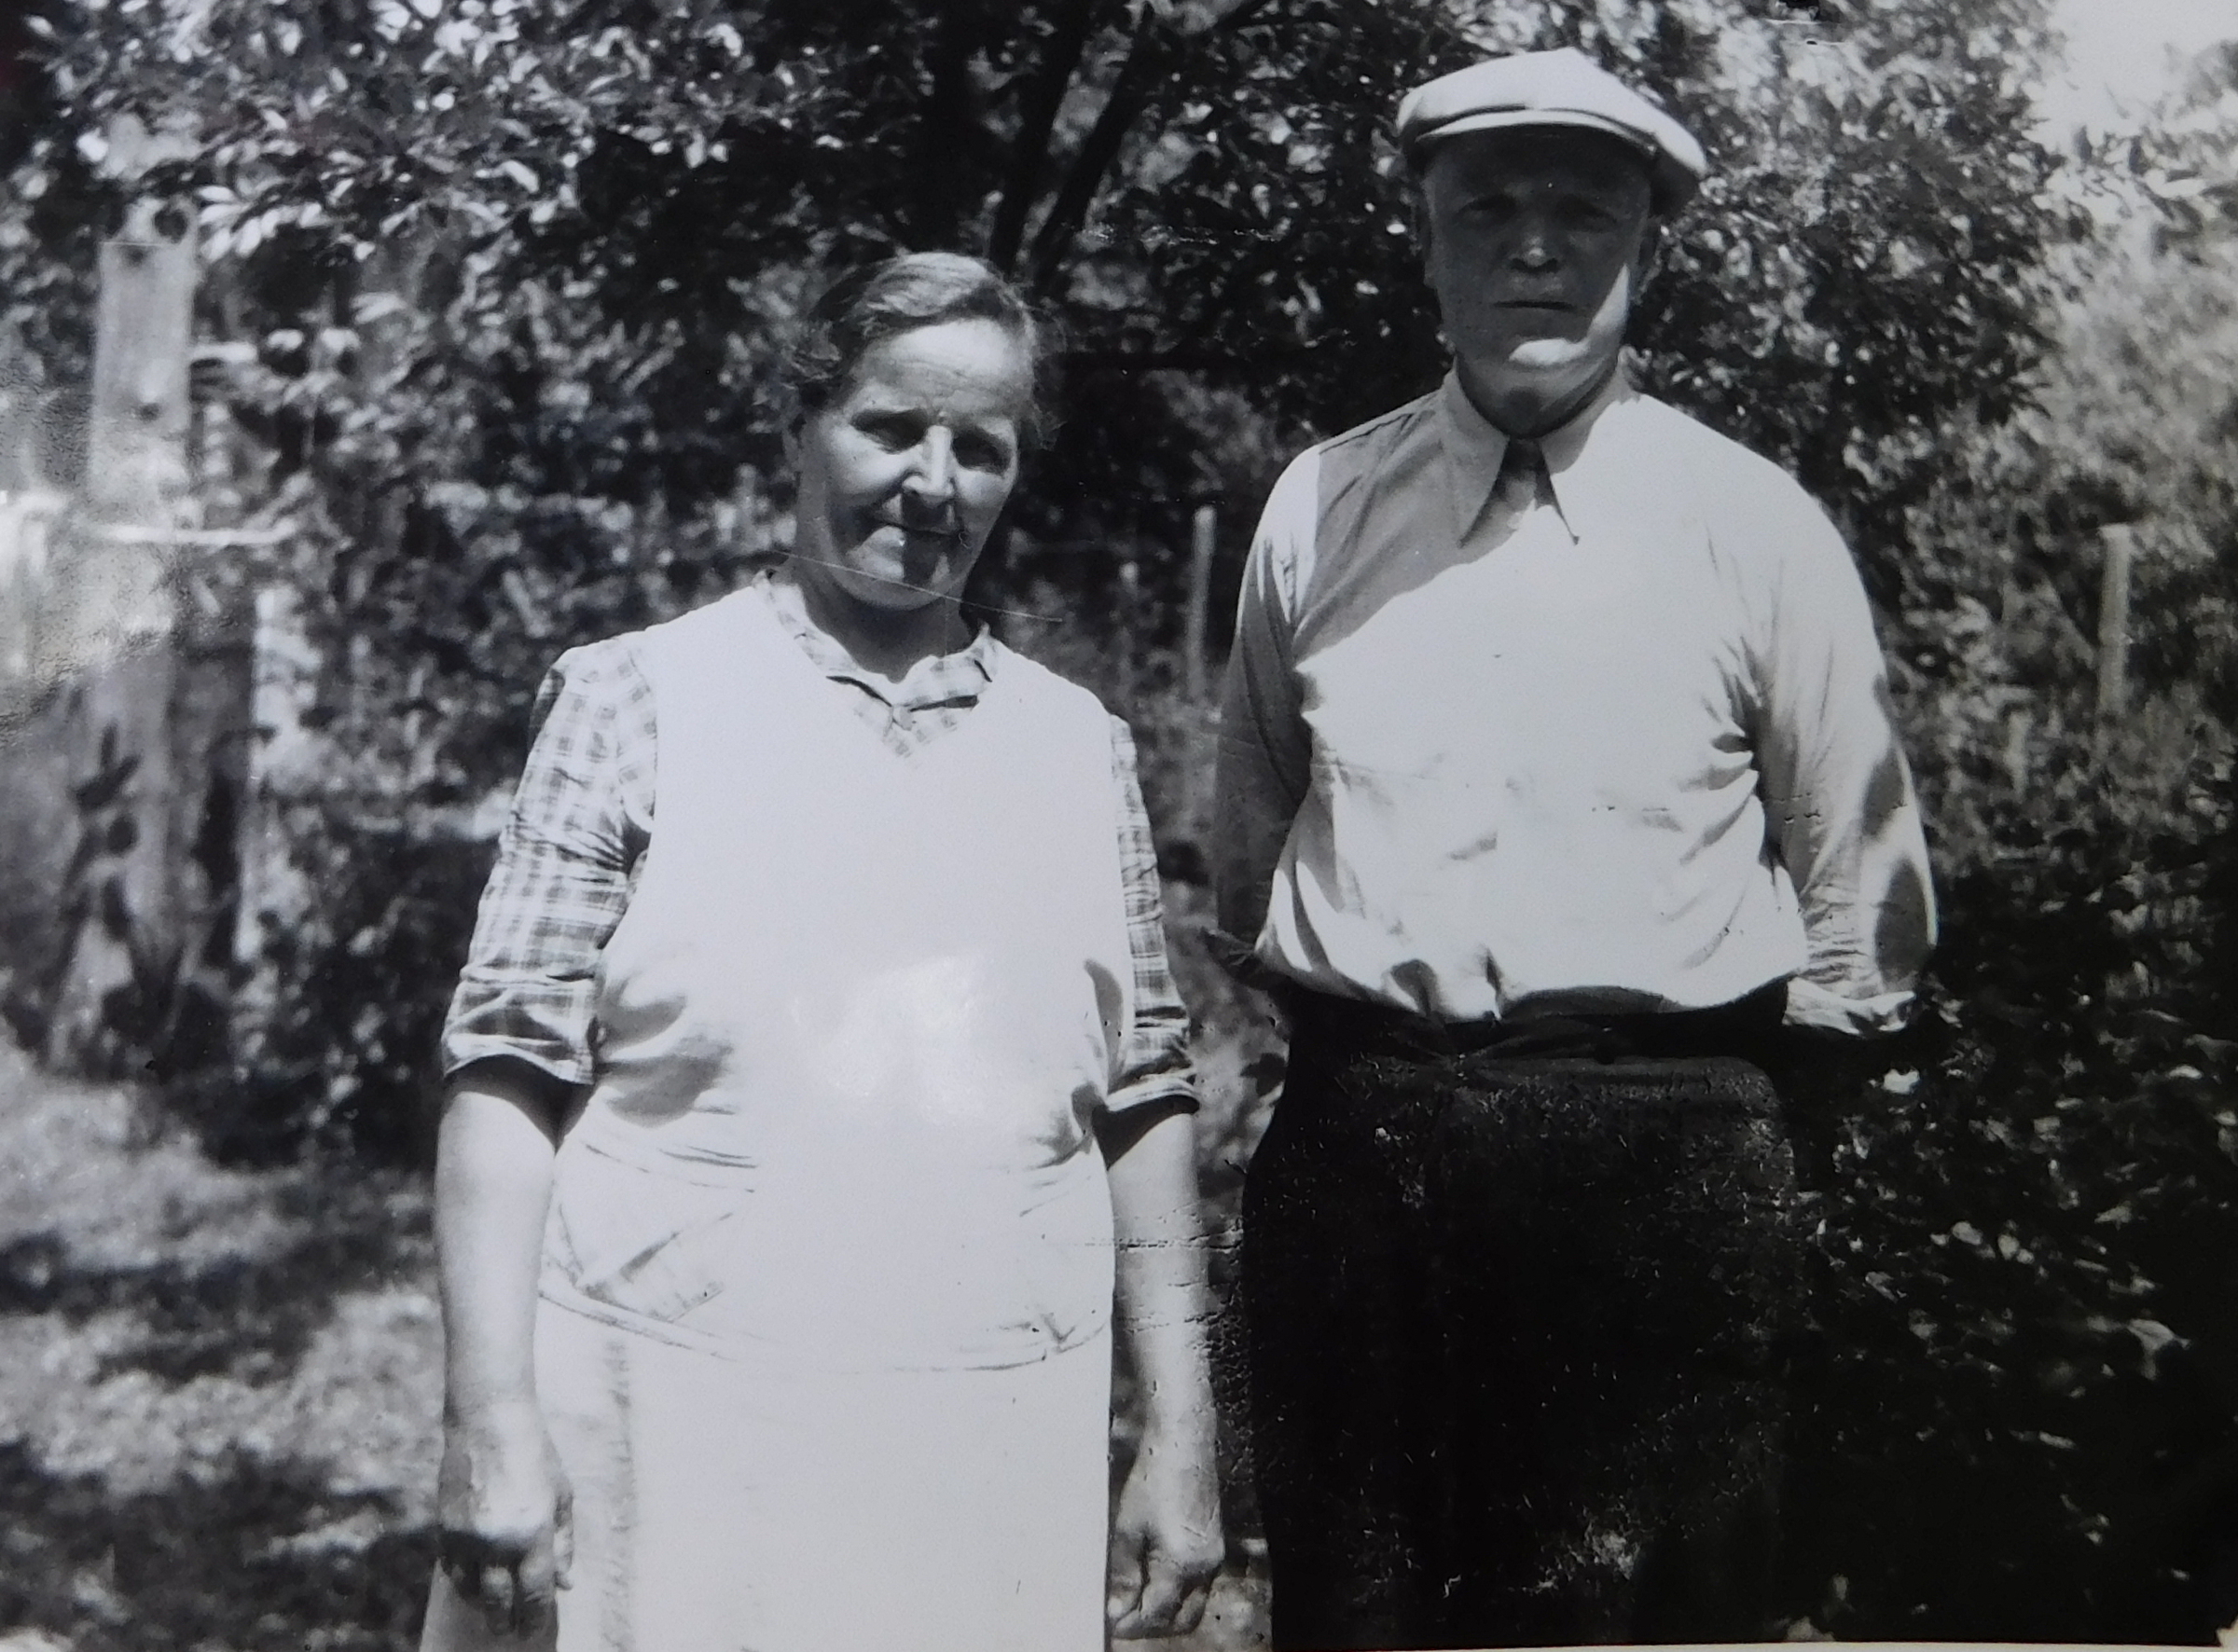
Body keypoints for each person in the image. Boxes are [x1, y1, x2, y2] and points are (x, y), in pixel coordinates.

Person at [1213, 48, 1937, 1652]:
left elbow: (1865, 912)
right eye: (1487, 210)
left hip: (1657, 1164)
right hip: (1366, 1152)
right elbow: (1251, 842)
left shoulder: (1753, 524)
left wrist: (1702, 1127)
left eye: (1582, 213)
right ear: (1423, 240)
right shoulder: (1319, 507)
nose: (1533, 248)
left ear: (1648, 251)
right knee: (1358, 1619)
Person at [421, 252, 1223, 1652]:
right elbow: (505, 1074)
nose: (934, 482)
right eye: (890, 426)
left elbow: (1145, 1095)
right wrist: (488, 1424)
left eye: (981, 447)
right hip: (676, 1436)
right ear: (800, 425)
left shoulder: (1078, 748)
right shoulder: (635, 699)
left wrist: (1182, 1437)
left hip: (985, 1452)